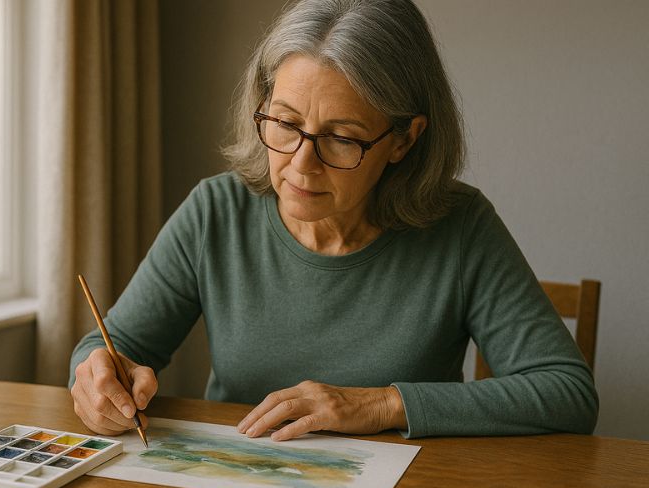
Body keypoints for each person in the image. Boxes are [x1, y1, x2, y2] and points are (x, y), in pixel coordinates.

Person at [69, 0, 598, 440]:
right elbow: (110, 348)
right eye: (285, 122)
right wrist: (98, 377)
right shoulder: (215, 212)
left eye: (342, 137)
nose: (301, 164)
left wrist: (382, 405)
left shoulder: (461, 226)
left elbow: (567, 392)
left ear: (403, 139)